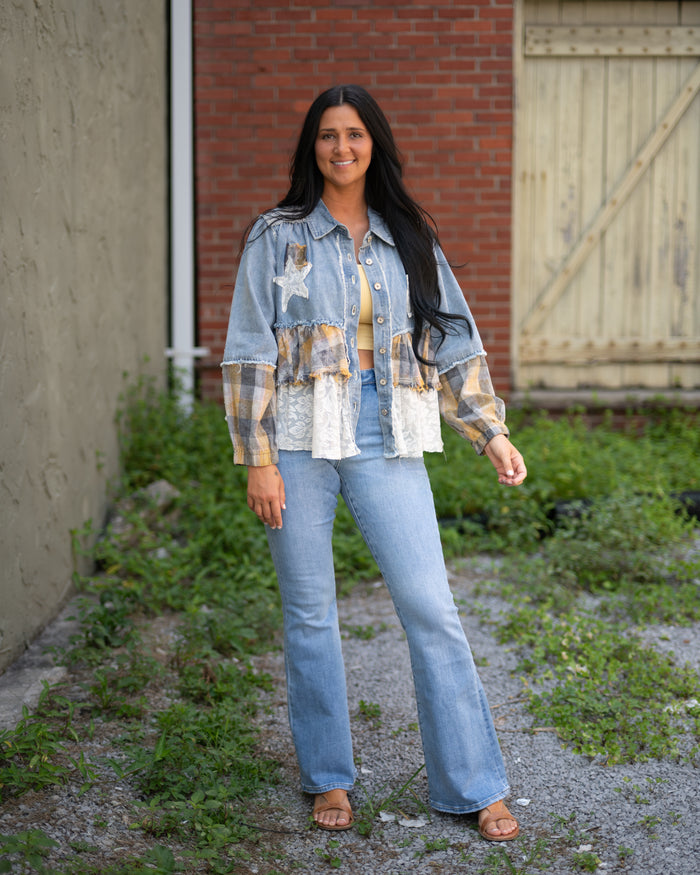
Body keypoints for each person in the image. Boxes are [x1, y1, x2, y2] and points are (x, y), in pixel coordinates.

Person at [221, 84, 526, 841]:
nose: (342, 147)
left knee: (432, 607)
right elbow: (248, 349)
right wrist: (258, 457)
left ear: (373, 144)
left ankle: (475, 783)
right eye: (328, 135)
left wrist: (490, 431)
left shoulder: (408, 235)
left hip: (386, 428)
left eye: (354, 134)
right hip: (295, 434)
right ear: (312, 147)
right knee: (311, 613)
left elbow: (453, 336)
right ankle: (329, 777)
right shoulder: (276, 234)